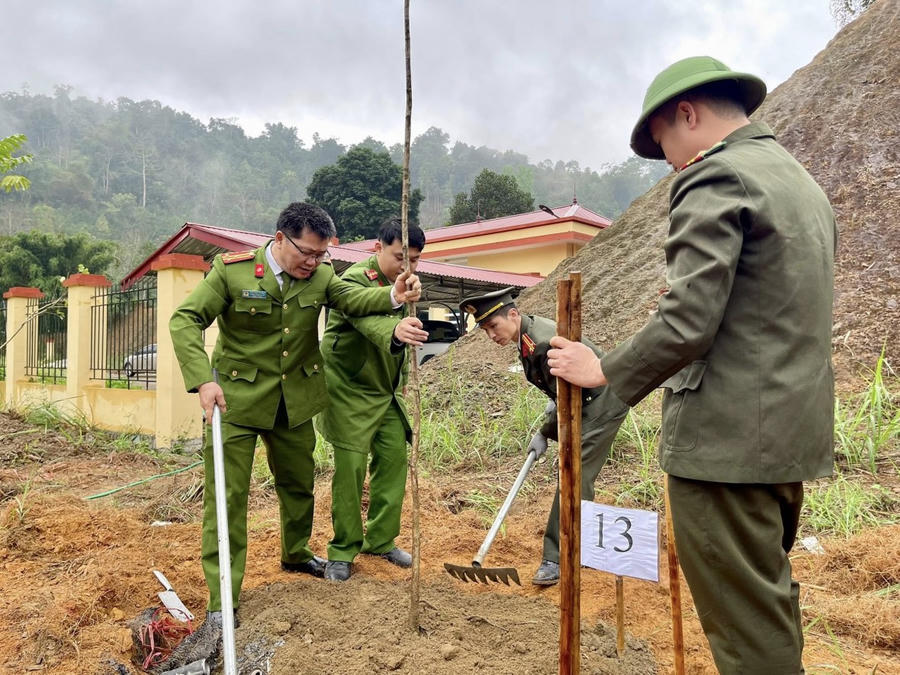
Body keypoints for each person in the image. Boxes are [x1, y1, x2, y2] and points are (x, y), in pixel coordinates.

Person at [547, 56, 836, 674]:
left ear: (688, 114)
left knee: (745, 630)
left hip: (725, 447)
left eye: (666, 147)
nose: (672, 164)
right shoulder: (798, 184)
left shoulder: (717, 178)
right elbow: (763, 309)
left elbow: (688, 320)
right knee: (767, 602)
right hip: (786, 436)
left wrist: (604, 371)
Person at [166, 202, 422, 663]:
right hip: (238, 403)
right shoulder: (232, 272)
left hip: (296, 404)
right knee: (228, 501)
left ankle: (296, 552)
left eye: (322, 255)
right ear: (280, 239)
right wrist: (203, 378)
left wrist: (392, 297)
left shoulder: (322, 276)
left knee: (298, 486)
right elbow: (185, 319)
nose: (315, 262)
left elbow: (352, 299)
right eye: (307, 253)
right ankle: (223, 601)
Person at [459, 288, 628, 586]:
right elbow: (559, 389)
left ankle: (557, 557)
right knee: (575, 474)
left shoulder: (539, 341)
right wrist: (551, 411)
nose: (491, 336)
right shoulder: (527, 335)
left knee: (573, 475)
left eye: (493, 327)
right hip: (583, 398)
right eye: (485, 331)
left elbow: (569, 397)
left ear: (513, 314)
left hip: (601, 402)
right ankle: (577, 547)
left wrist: (544, 431)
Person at [317, 219, 429, 581]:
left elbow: (402, 342)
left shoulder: (408, 283)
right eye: (400, 257)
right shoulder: (351, 280)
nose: (406, 266)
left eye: (414, 259)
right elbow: (366, 319)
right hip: (349, 390)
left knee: (394, 459)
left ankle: (381, 539)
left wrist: (404, 380)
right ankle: (343, 550)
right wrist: (395, 325)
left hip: (386, 392)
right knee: (350, 469)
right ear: (377, 248)